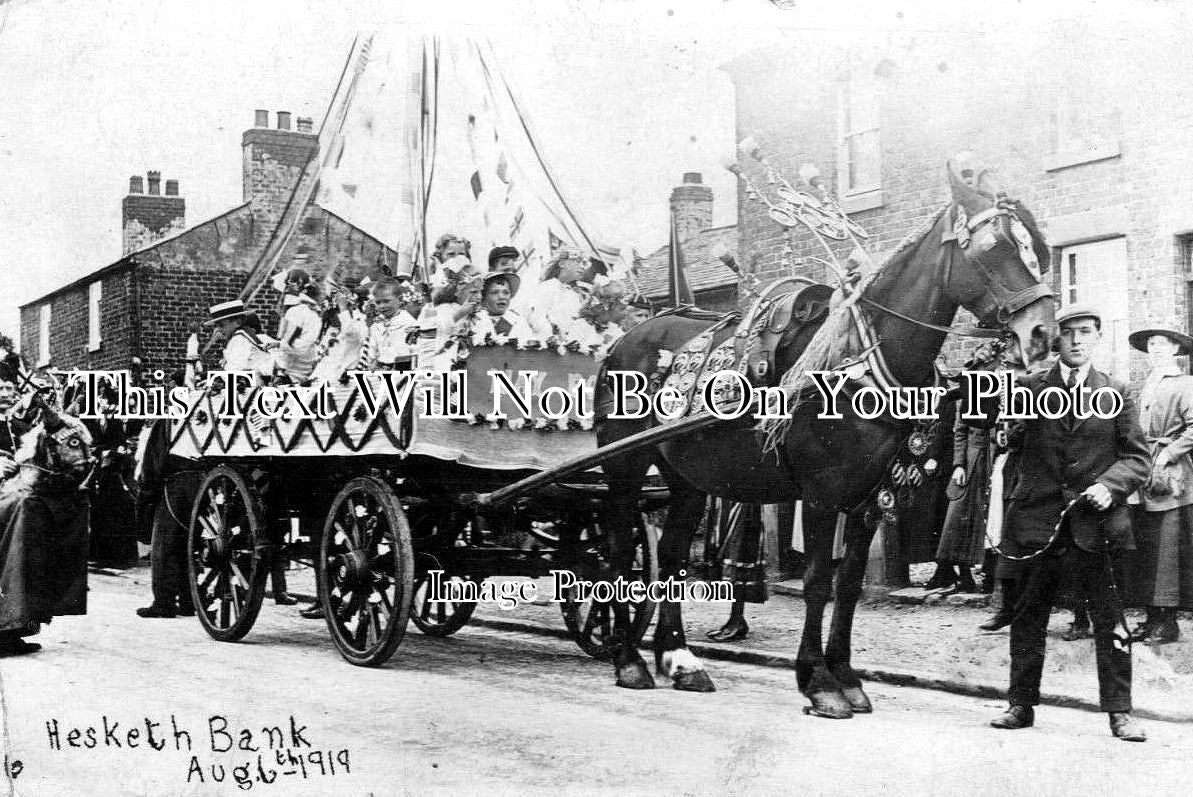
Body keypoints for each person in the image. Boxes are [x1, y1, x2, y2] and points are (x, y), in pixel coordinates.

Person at [979, 304, 1149, 741]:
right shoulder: (1030, 387)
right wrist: (1009, 422)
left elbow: (1137, 459)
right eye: (1069, 333)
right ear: (1057, 340)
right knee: (1026, 617)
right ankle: (1020, 704)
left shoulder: (1117, 391)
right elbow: (1007, 442)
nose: (1076, 341)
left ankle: (1119, 711)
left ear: (1097, 338)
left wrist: (1110, 486)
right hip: (1037, 523)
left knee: (1111, 620)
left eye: (1085, 333)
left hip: (1097, 525)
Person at [1124, 327, 1193, 644]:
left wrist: (1168, 453)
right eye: (1151, 345)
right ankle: (1151, 619)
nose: (1155, 349)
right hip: (1143, 470)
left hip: (1170, 475)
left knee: (1167, 551)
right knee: (1147, 548)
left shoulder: (1185, 384)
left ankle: (1168, 622)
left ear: (1176, 348)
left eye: (1162, 344)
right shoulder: (1147, 384)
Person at [361, 277, 418, 370]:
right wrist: (371, 362)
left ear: (399, 300)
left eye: (387, 301)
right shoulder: (376, 325)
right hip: (380, 370)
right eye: (378, 302)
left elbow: (415, 352)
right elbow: (372, 349)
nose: (382, 306)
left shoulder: (409, 323)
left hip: (403, 370)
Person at [464, 272, 534, 342]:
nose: (502, 297)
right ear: (483, 297)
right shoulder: (472, 320)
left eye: (506, 293)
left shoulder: (518, 321)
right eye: (494, 292)